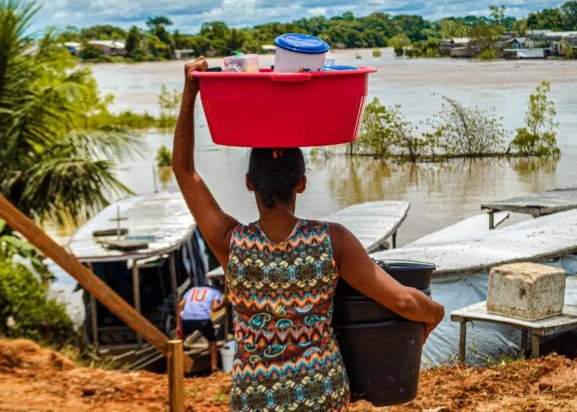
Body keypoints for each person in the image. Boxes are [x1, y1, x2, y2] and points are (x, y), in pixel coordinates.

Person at [173, 57, 445, 411]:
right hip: (320, 396)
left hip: (255, 400)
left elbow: (183, 169)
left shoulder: (231, 243)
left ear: (249, 183)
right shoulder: (332, 241)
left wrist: (190, 90)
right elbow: (404, 302)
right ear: (301, 184)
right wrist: (435, 313)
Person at [176, 282, 225, 372]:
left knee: (180, 341)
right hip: (203, 319)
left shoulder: (191, 290)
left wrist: (178, 326)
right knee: (212, 341)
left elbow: (179, 306)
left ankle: (176, 363)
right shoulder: (216, 292)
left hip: (187, 319)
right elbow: (214, 308)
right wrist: (224, 303)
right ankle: (213, 366)